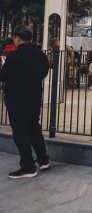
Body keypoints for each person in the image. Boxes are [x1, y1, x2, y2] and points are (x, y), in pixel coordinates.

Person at [0, 25, 50, 178]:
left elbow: (3, 76)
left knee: (20, 132)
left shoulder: (14, 56)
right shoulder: (40, 55)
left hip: (16, 99)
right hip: (34, 98)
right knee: (34, 128)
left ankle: (28, 167)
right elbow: (44, 72)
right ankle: (43, 160)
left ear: (17, 38)